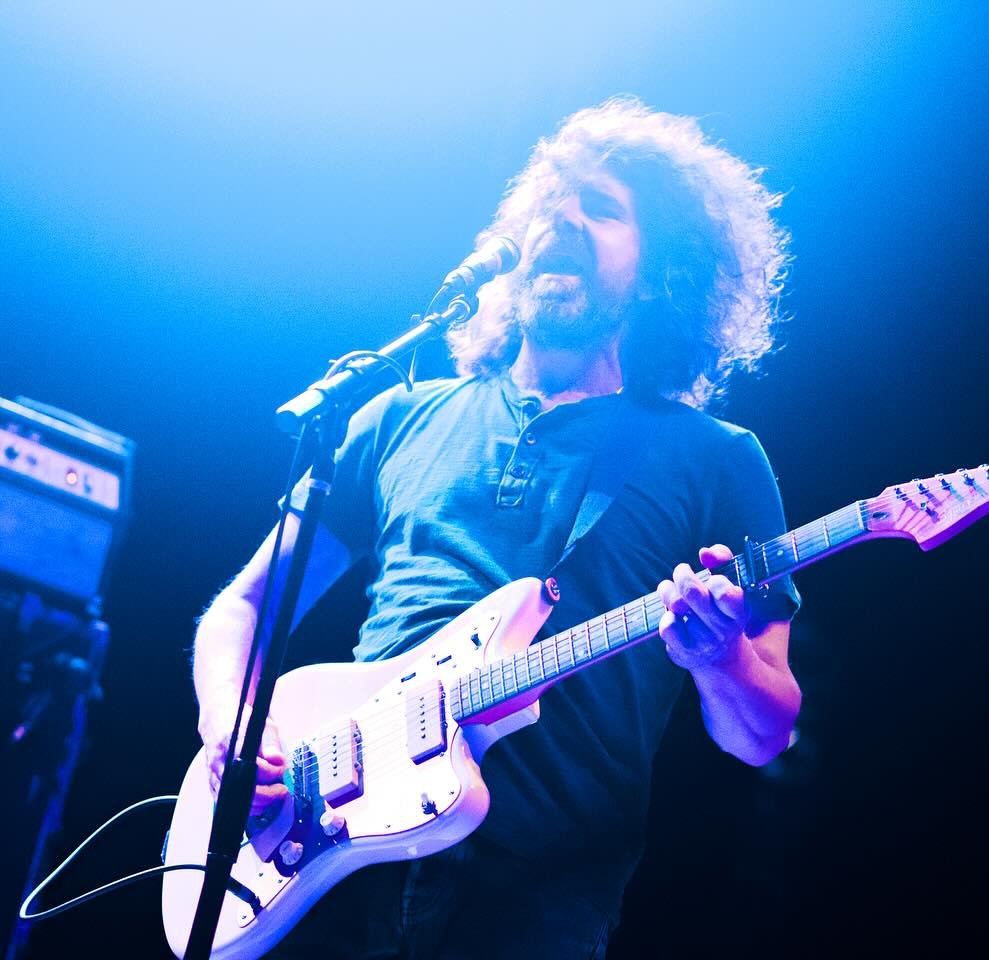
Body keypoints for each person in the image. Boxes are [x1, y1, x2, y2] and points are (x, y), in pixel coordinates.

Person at [191, 97, 802, 959]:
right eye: (552, 200)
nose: (564, 218)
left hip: (529, 909)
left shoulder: (717, 462)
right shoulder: (398, 417)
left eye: (602, 207)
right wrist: (233, 728)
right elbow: (242, 610)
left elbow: (765, 729)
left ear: (662, 269)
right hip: (323, 863)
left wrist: (721, 657)